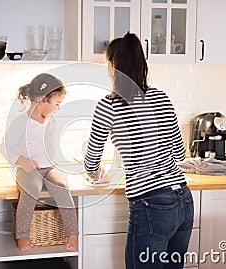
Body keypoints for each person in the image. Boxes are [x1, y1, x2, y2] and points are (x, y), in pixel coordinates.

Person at [84, 33, 194, 269]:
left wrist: (94, 174)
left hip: (151, 204)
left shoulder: (109, 105)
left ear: (112, 66)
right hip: (183, 200)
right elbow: (179, 154)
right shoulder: (161, 97)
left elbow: (92, 158)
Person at [2, 73, 78, 252]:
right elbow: (5, 146)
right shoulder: (21, 122)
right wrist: (21, 160)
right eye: (57, 104)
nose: (58, 108)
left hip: (50, 167)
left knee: (62, 186)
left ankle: (73, 233)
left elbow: (51, 147)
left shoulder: (51, 120)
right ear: (43, 100)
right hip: (28, 169)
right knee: (31, 190)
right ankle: (23, 235)